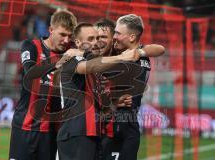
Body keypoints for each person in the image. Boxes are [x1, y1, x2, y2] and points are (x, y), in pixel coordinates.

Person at [57, 22, 142, 160]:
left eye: (97, 38)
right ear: (77, 42)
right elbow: (87, 67)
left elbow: (99, 111)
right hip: (76, 134)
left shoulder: (95, 72)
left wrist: (114, 104)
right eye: (91, 39)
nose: (96, 42)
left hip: (92, 135)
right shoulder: (71, 58)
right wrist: (121, 57)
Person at [9, 10, 78, 160]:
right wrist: (62, 60)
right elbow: (31, 73)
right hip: (24, 127)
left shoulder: (72, 52)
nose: (66, 40)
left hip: (51, 131)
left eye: (69, 36)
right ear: (51, 30)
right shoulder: (31, 45)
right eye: (62, 34)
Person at [99, 14, 155, 160]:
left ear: (131, 37)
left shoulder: (127, 62)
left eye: (117, 33)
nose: (114, 37)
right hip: (123, 125)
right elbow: (159, 49)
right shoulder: (142, 56)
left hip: (118, 126)